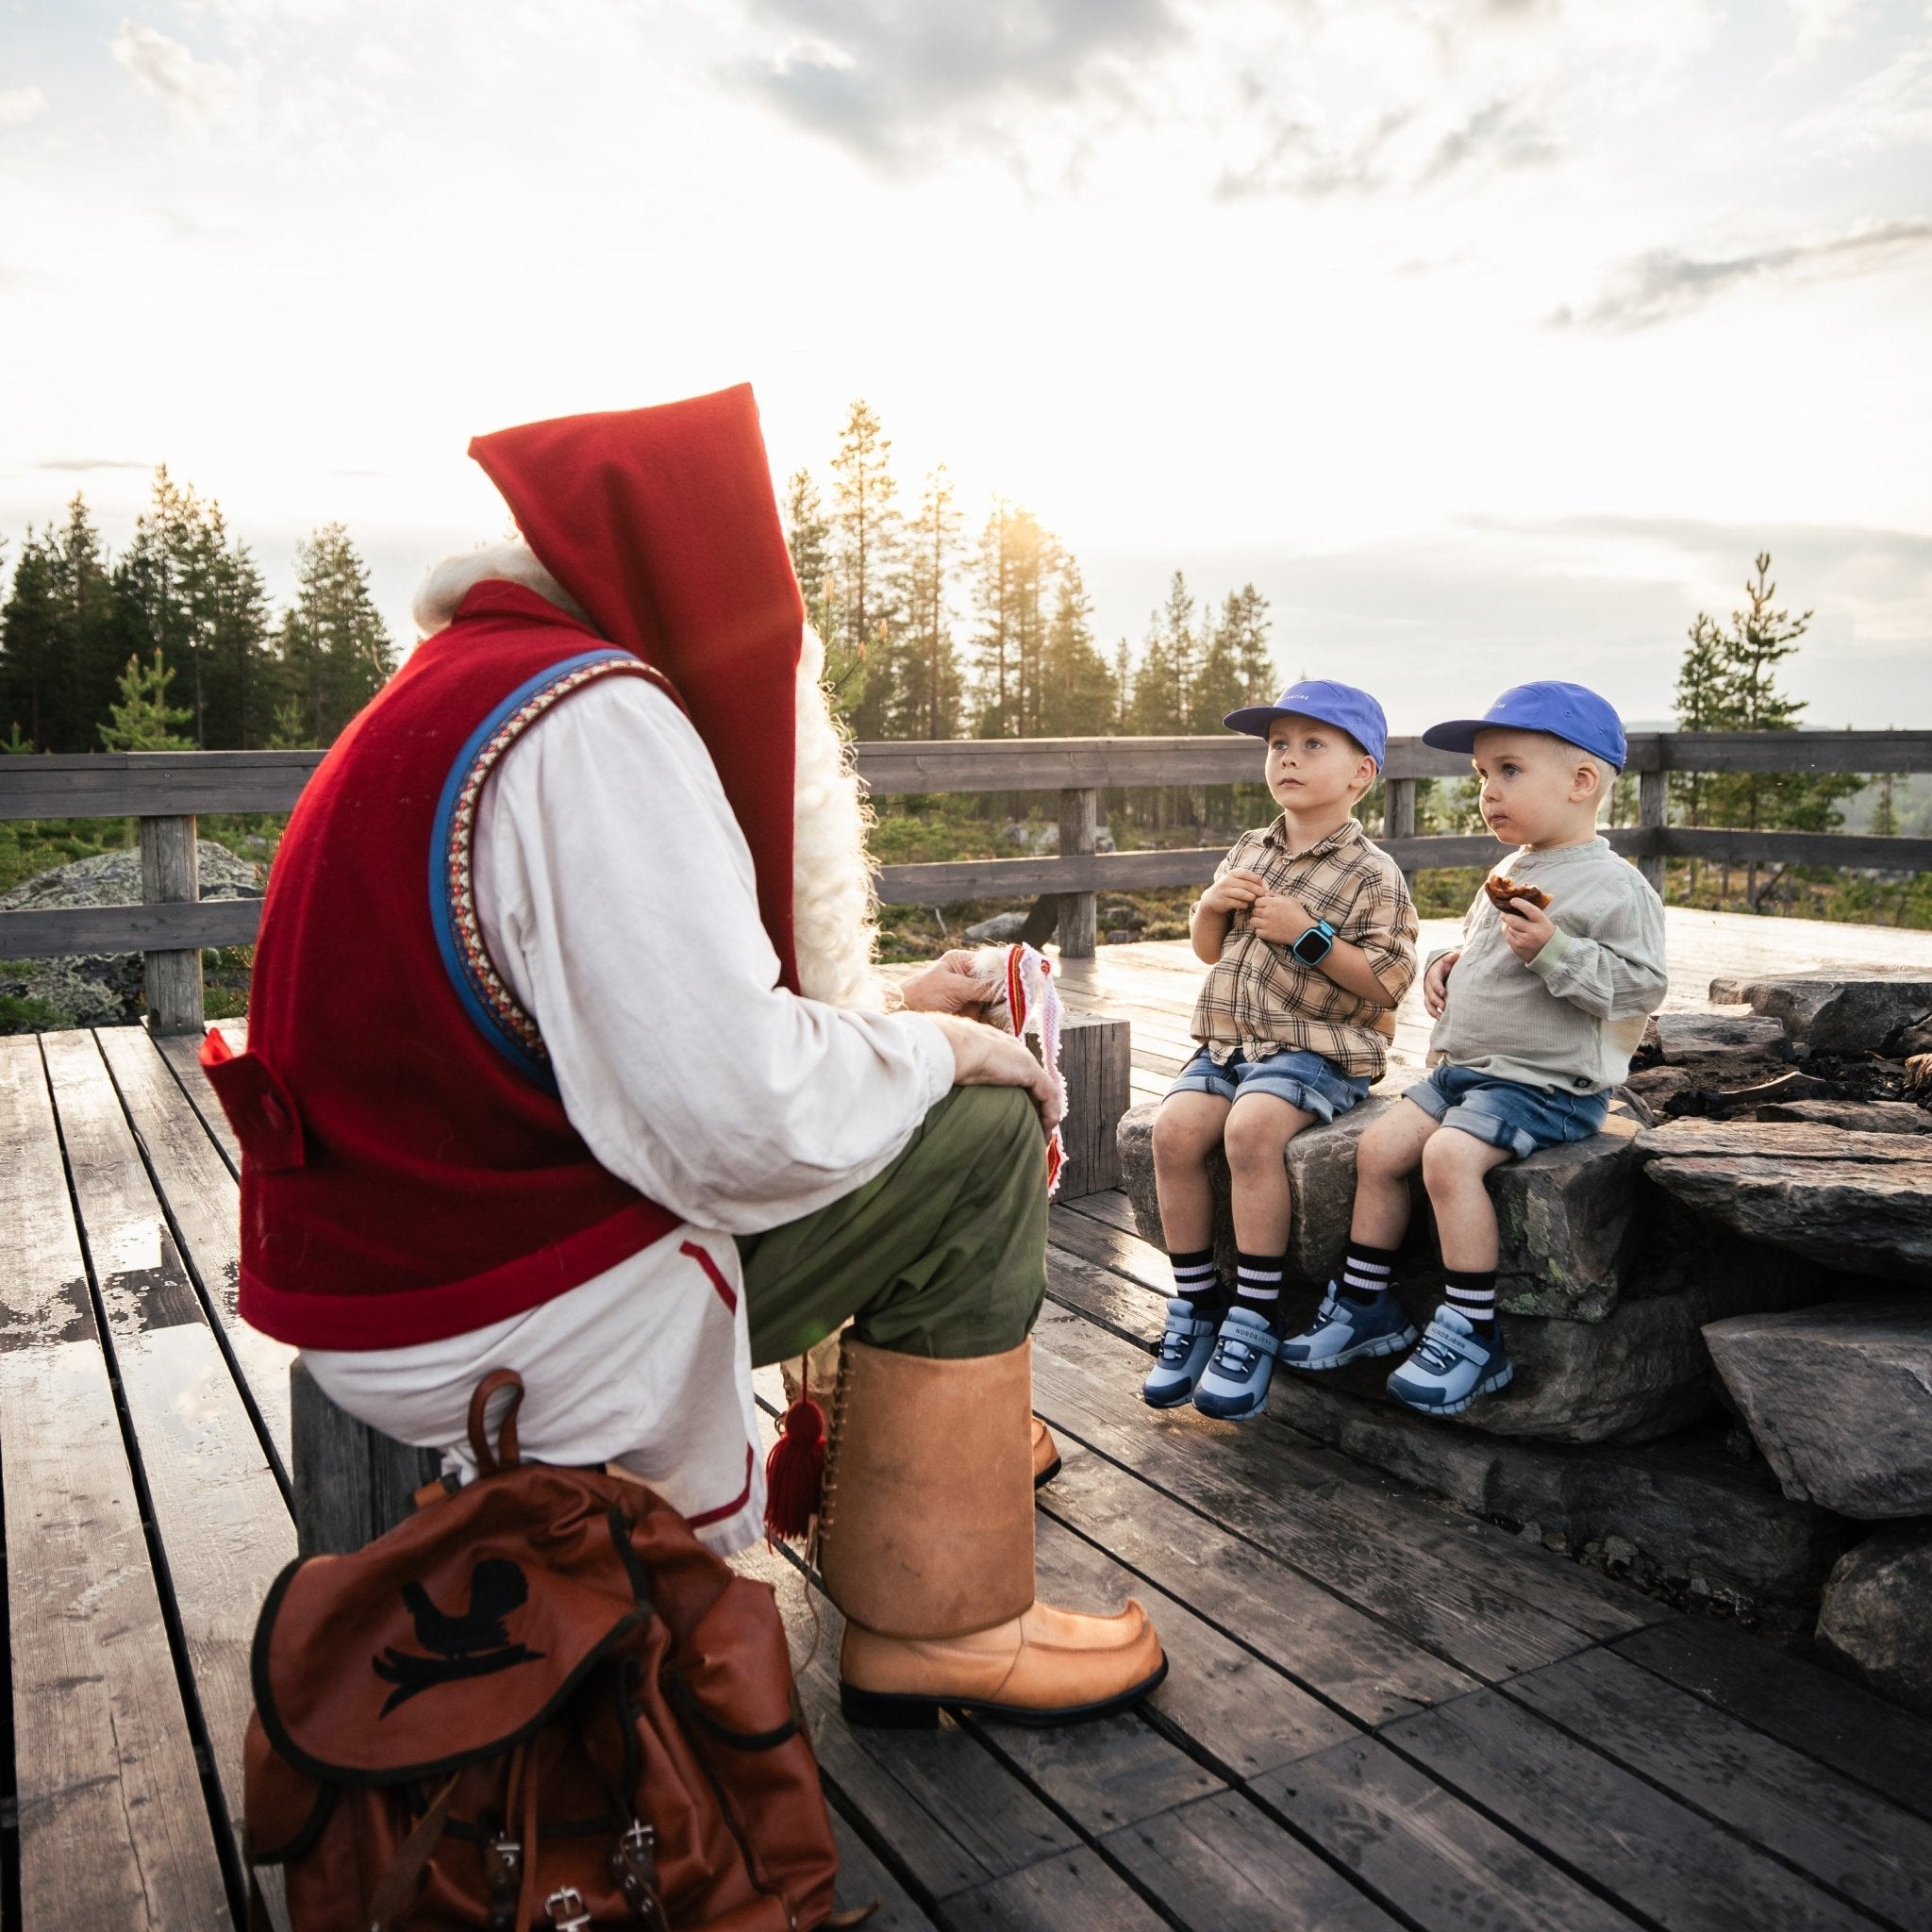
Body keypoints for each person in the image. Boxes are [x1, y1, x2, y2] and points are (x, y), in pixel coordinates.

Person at [204, 387, 1164, 1728]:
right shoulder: (599, 720)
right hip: (499, 1307)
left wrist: (881, 1011)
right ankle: (946, 1615)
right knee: (978, 1143)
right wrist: (941, 1052)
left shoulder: (470, 691)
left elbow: (608, 1018)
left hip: (385, 1266)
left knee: (898, 1101)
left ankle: (927, 1476)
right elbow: (736, 1119)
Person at [1287, 680, 1667, 1415]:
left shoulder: (1616, 888)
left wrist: (1558, 953)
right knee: (1379, 1150)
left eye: (1510, 771)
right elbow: (1486, 948)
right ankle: (1367, 1304)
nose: (1489, 791)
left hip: (1547, 1085)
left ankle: (1472, 1330)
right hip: (1469, 1072)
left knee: (1447, 1158)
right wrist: (1447, 968)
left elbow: (1638, 991)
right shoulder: (1513, 870)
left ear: (1583, 782)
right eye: (1483, 776)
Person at [1142, 680, 1418, 1421]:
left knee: (1251, 1131)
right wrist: (1208, 907)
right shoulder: (1250, 850)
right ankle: (1198, 1303)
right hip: (1230, 1042)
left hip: (1314, 1048)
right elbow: (1209, 951)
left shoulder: (1373, 874)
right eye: (1277, 745)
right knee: (1174, 1133)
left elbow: (1388, 984)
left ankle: (1255, 1315)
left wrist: (1308, 933)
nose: (1288, 758)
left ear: (1362, 772)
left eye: (1311, 745)